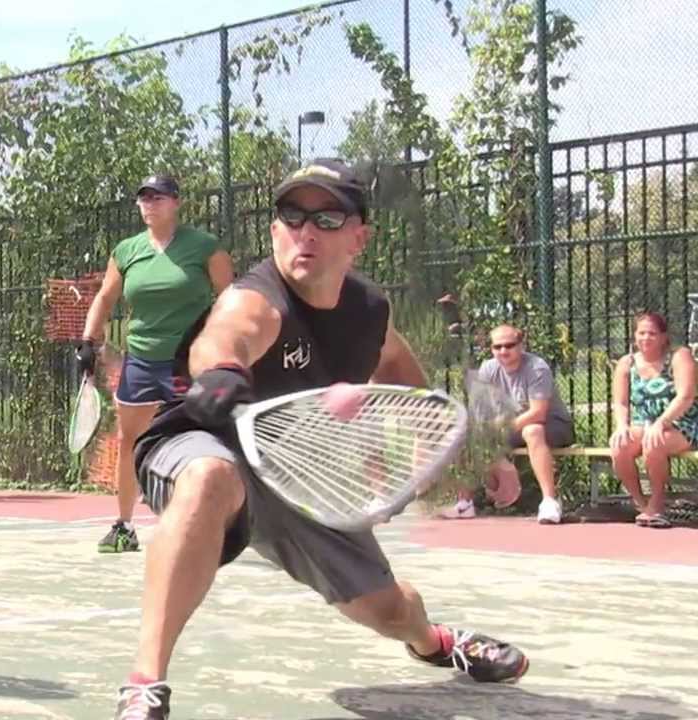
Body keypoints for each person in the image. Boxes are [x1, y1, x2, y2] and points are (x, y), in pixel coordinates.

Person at [114, 160, 529, 720]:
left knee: (390, 611)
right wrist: (223, 374)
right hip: (208, 443)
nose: (306, 231)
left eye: (327, 218)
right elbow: (226, 335)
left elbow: (408, 383)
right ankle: (145, 685)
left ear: (360, 237)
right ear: (274, 231)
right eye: (292, 215)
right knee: (209, 479)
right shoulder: (256, 297)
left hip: (302, 472)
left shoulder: (368, 312)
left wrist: (483, 454)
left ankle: (436, 642)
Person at [79, 174, 233, 553]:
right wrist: (87, 341)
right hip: (142, 361)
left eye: (158, 197)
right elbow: (104, 297)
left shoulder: (204, 247)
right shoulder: (127, 250)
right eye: (144, 197)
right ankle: (124, 526)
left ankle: (210, 522)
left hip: (190, 362)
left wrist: (228, 347)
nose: (149, 203)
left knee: (198, 441)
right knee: (130, 440)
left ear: (176, 203)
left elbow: (231, 298)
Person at [441, 324, 573, 523]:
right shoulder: (488, 369)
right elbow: (481, 415)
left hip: (552, 425)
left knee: (533, 430)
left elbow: (538, 412)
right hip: (511, 427)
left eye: (509, 345)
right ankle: (465, 504)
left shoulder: (536, 367)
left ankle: (549, 502)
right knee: (465, 435)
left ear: (521, 345)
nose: (503, 351)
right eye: (497, 347)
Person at [610, 311, 697, 528]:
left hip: (680, 423)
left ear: (663, 336)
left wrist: (662, 422)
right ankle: (641, 503)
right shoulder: (626, 363)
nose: (646, 338)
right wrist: (621, 426)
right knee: (620, 446)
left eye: (652, 333)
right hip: (642, 423)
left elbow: (686, 395)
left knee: (653, 443)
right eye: (641, 333)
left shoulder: (679, 356)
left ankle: (657, 503)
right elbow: (620, 402)